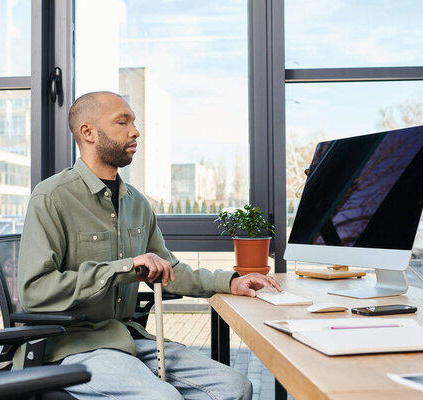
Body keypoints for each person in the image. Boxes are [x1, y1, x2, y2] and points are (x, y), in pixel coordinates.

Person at [17, 91, 282, 400]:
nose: (135, 131)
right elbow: (34, 291)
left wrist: (232, 282)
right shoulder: (51, 197)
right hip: (74, 346)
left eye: (134, 122)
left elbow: (170, 269)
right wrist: (124, 268)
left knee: (235, 387)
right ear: (87, 132)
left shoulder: (137, 203)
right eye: (122, 122)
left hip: (129, 338)